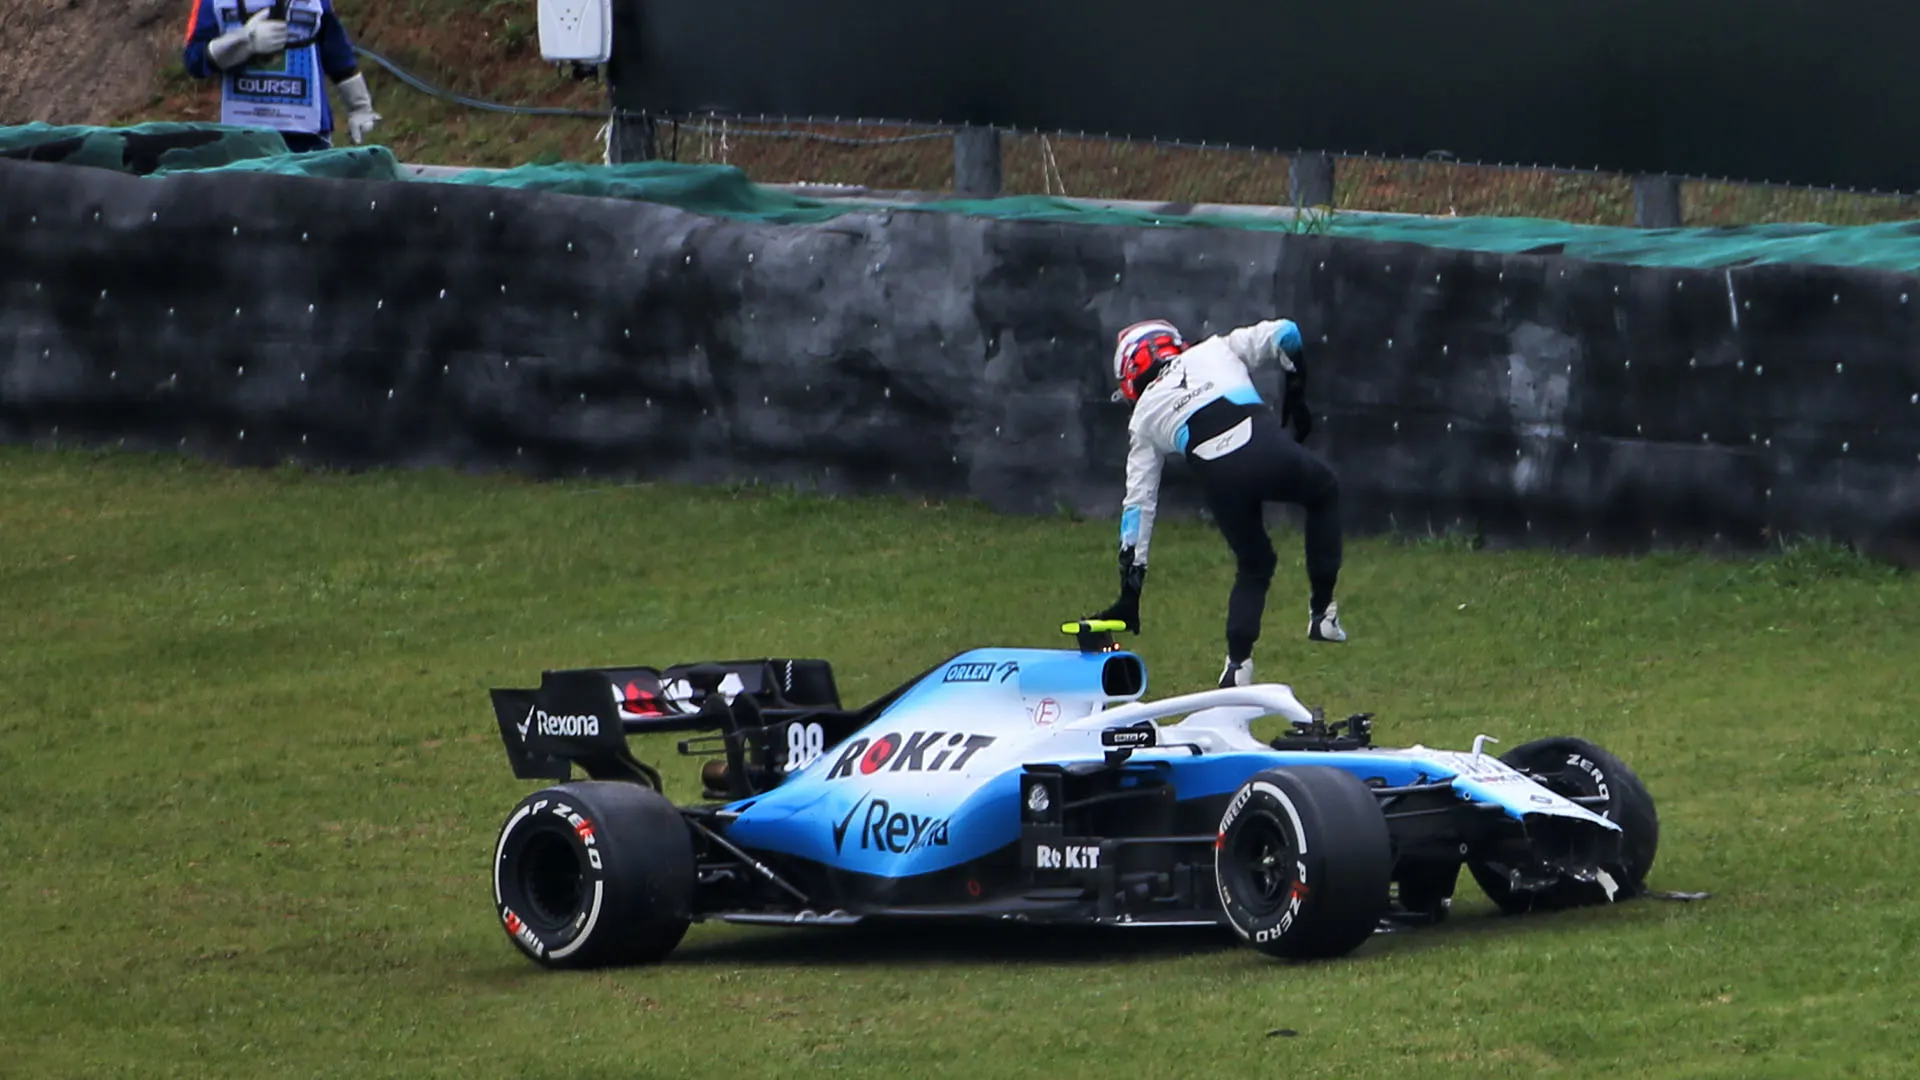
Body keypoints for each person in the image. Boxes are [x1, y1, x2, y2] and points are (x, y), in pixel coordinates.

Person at [1085, 317, 1347, 689]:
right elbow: (1286, 333)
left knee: (1254, 563)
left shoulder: (1142, 420)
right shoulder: (1216, 347)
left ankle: (1237, 666)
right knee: (1324, 491)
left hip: (1220, 480)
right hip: (1265, 447)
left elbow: (1138, 506)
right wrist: (1296, 392)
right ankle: (1322, 613)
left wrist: (1130, 592)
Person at [182, 0, 382, 153]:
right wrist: (244, 41)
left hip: (307, 135)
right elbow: (194, 59)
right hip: (243, 136)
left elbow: (337, 52)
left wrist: (359, 107)